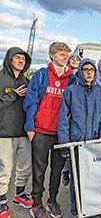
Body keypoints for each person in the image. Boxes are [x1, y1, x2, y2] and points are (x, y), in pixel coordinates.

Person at [23, 42, 78, 218]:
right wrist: (30, 127)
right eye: (61, 54)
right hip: (41, 130)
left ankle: (52, 201)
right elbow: (31, 102)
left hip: (61, 134)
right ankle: (36, 203)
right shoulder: (41, 75)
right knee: (39, 171)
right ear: (51, 55)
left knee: (57, 170)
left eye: (66, 55)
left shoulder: (72, 79)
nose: (65, 58)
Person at [57, 58, 101, 218]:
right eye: (85, 69)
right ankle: (77, 211)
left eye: (92, 69)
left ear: (95, 72)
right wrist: (65, 145)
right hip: (77, 144)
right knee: (77, 181)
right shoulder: (70, 91)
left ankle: (92, 208)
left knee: (95, 179)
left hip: (95, 144)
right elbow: (63, 120)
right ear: (80, 71)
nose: (88, 72)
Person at [0, 47, 33, 218]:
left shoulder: (26, 81)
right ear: (9, 59)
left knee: (25, 167)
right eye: (17, 58)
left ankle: (19, 194)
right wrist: (12, 95)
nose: (20, 61)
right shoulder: (0, 78)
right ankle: (1, 201)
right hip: (4, 133)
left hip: (23, 133)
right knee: (5, 169)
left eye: (23, 58)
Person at [61, 52, 81, 186]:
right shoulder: (65, 74)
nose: (74, 60)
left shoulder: (82, 75)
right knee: (67, 144)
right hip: (65, 109)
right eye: (72, 58)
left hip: (77, 112)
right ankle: (65, 171)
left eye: (77, 59)